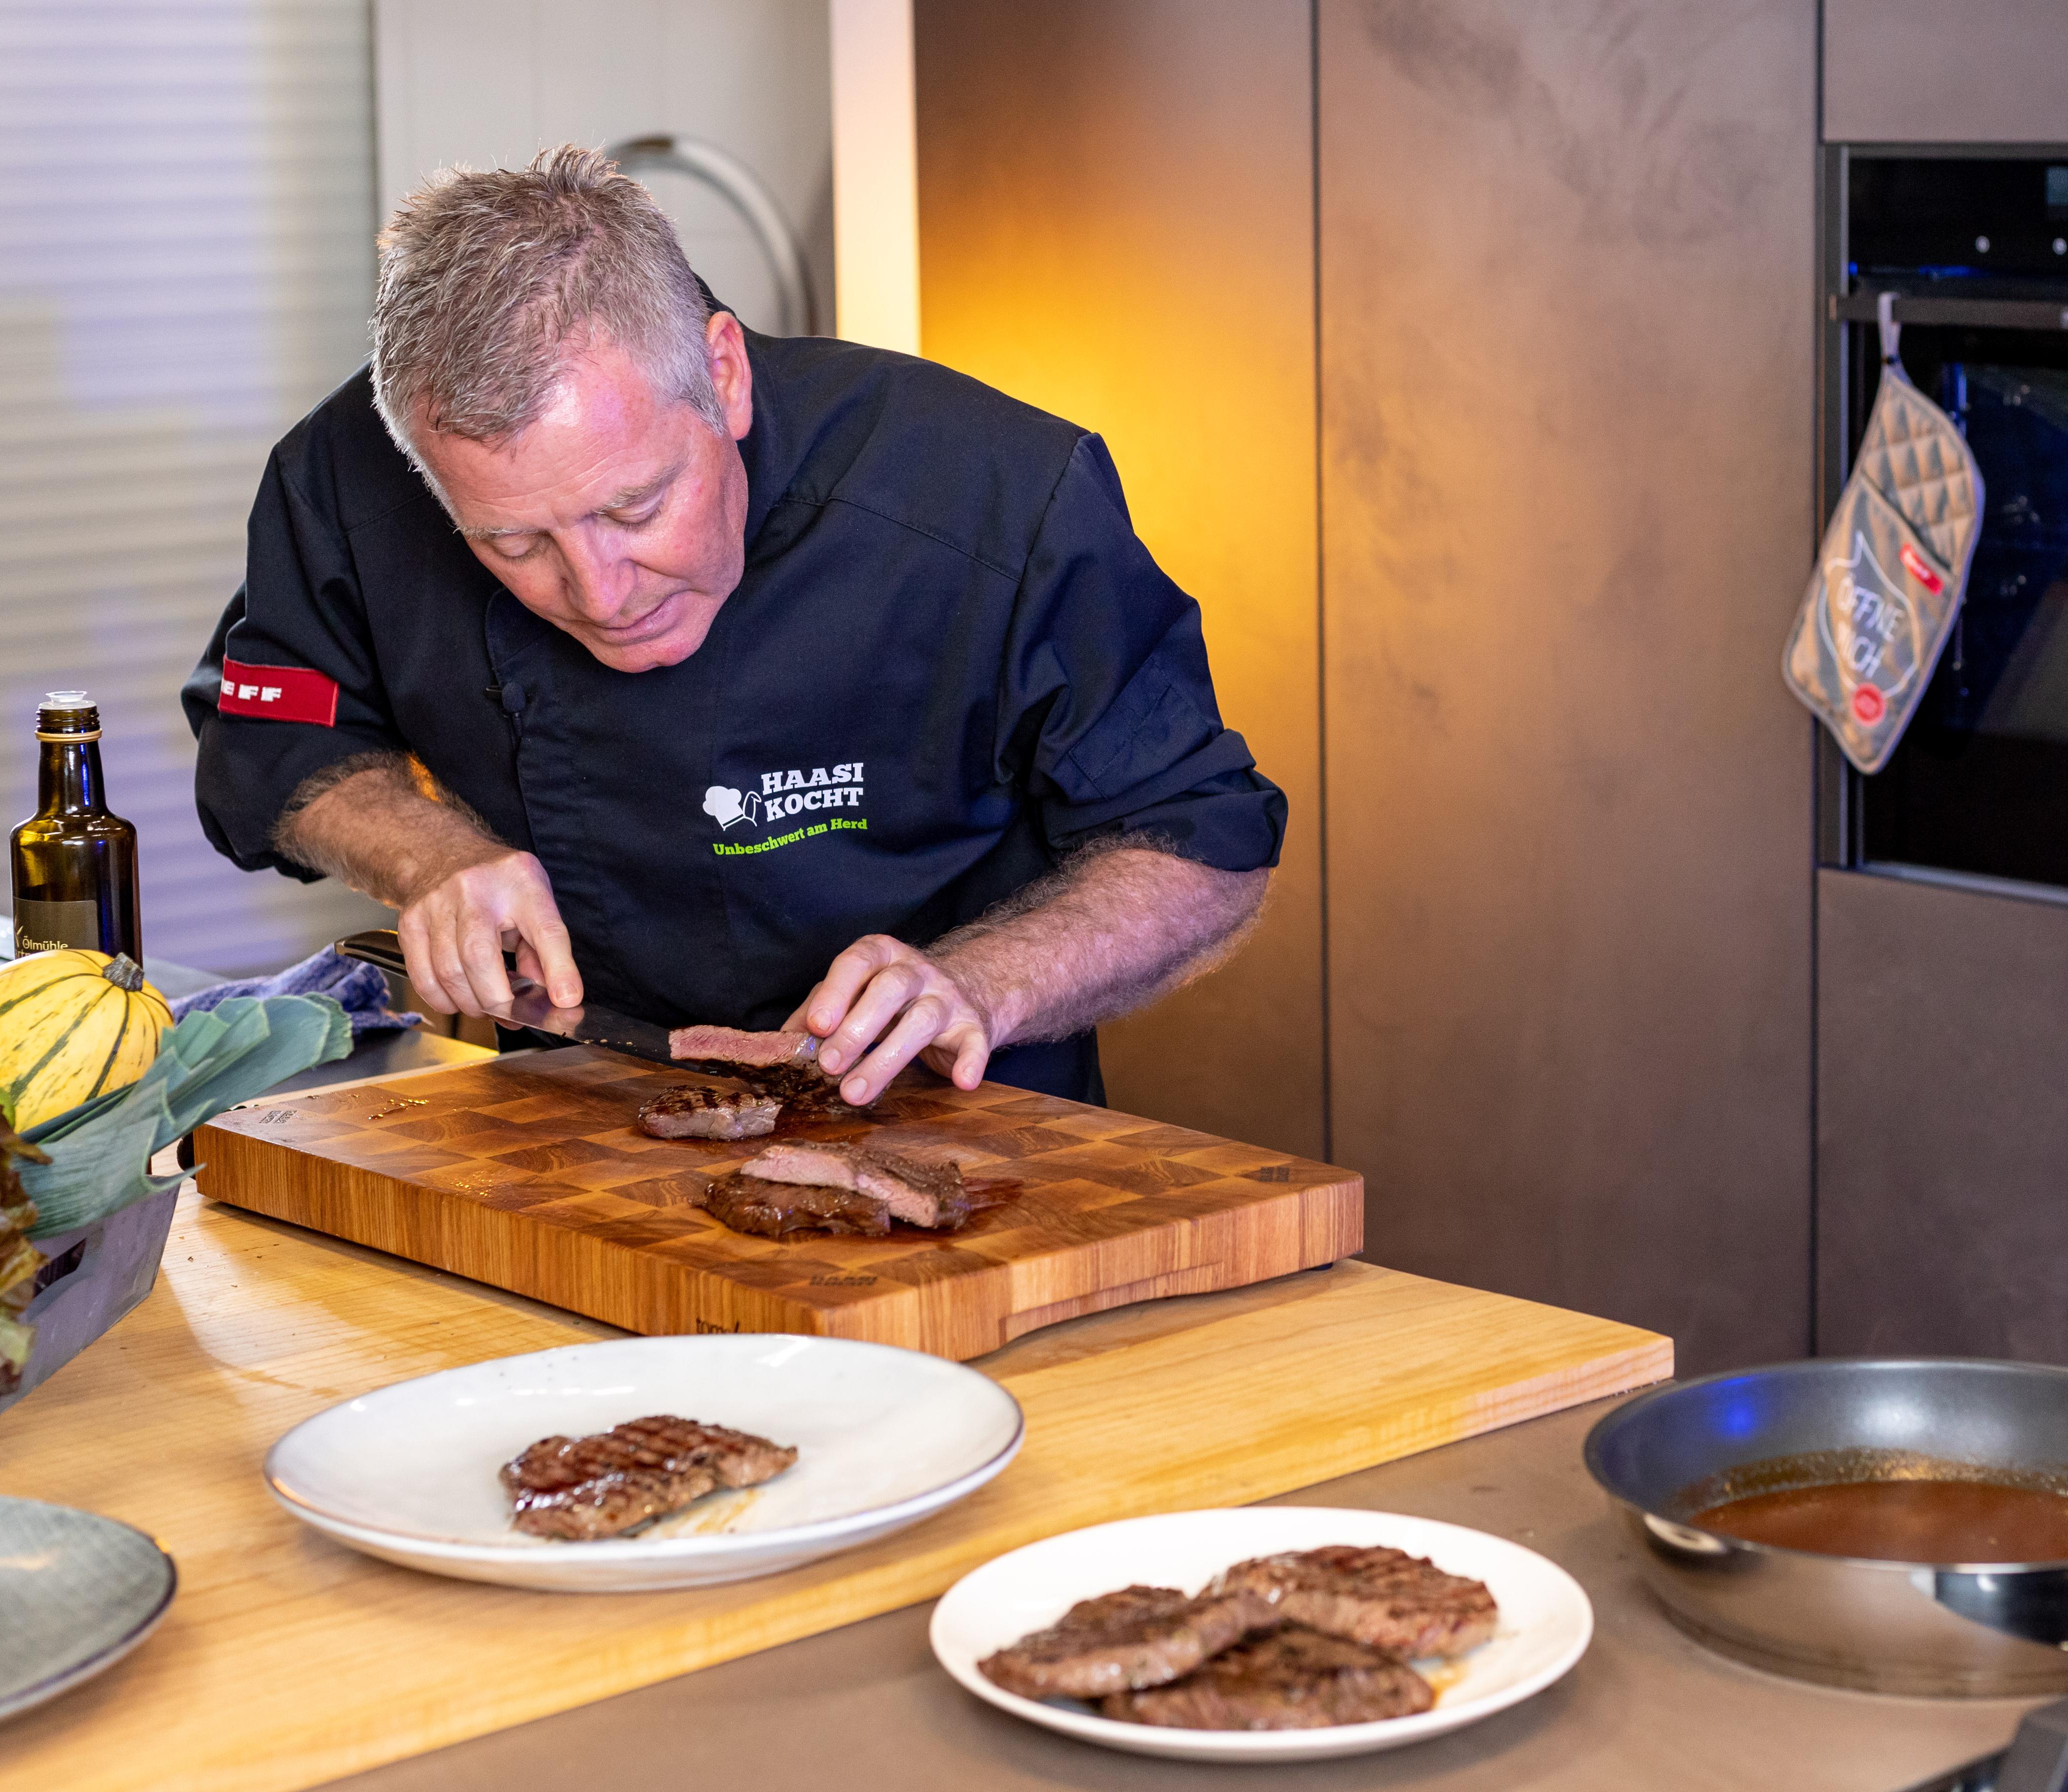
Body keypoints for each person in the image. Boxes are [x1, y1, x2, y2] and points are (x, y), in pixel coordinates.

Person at [182, 148, 1282, 1107]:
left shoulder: (994, 493)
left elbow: (1200, 840)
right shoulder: (347, 481)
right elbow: (273, 729)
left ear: (724, 374)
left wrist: (980, 985)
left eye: (635, 509)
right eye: (513, 544)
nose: (600, 592)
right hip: (567, 1114)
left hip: (963, 1124)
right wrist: (432, 859)